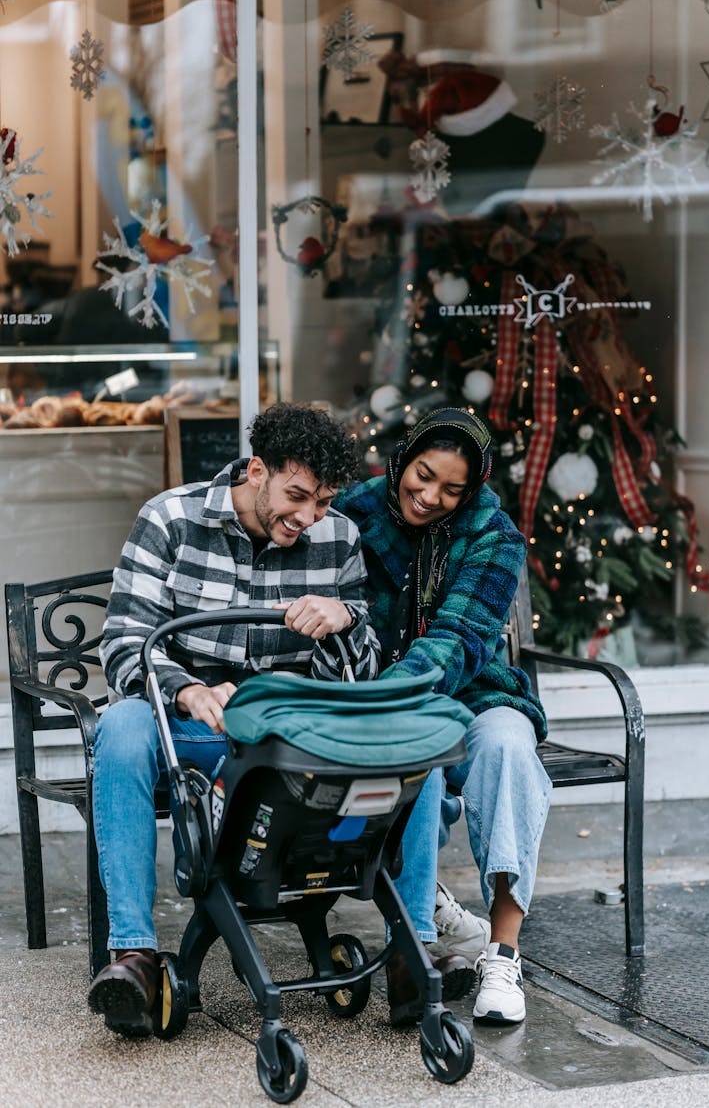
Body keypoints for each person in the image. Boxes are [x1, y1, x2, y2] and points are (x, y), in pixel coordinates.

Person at [88, 402, 385, 1037]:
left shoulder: (339, 539)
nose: (308, 520)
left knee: (408, 754)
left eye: (324, 503)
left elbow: (365, 655)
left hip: (289, 744)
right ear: (257, 469)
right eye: (297, 496)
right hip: (193, 736)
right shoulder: (170, 518)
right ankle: (134, 958)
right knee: (120, 728)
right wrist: (188, 690)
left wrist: (346, 617)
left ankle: (415, 953)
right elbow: (121, 643)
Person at [334, 407, 551, 1027]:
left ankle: (503, 953)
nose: (428, 497)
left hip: (470, 693)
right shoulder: (354, 509)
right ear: (404, 458)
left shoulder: (493, 537)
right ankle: (429, 917)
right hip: (374, 694)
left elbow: (458, 641)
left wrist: (383, 702)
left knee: (510, 747)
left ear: (472, 489)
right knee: (409, 757)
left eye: (451, 489)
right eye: (422, 475)